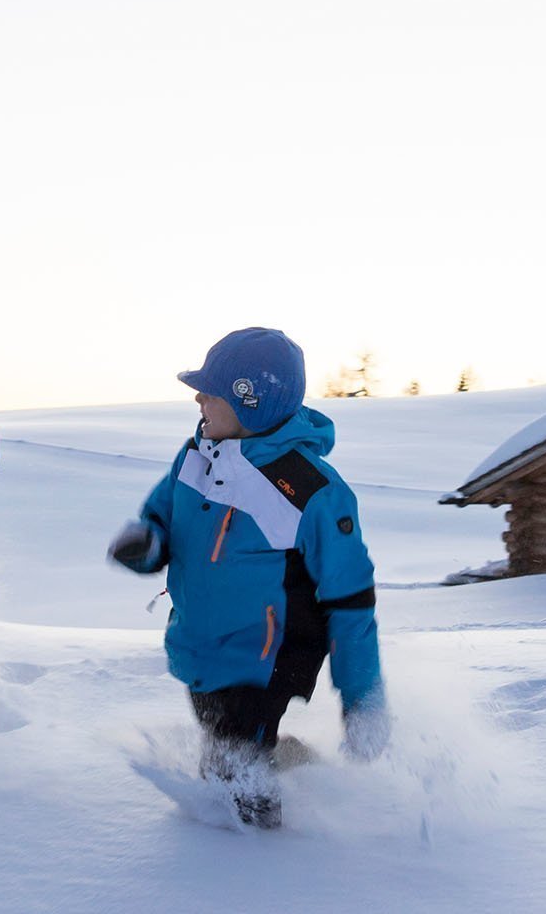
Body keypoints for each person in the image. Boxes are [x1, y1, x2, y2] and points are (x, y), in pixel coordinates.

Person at [108, 327, 389, 828]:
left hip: (268, 657)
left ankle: (260, 865)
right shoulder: (196, 454)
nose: (198, 397)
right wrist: (146, 545)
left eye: (210, 390)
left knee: (235, 777)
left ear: (250, 402)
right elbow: (162, 519)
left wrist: (363, 700)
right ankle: (289, 764)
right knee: (225, 746)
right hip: (201, 645)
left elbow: (351, 600)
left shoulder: (311, 491)